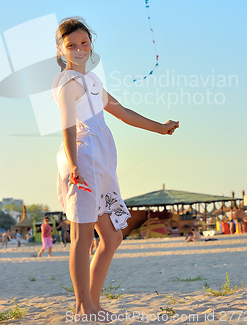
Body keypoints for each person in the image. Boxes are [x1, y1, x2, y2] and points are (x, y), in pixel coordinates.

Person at [53, 17, 180, 322]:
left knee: (112, 238)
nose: (80, 49)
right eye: (72, 45)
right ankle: (83, 308)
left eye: (84, 43)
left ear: (91, 44)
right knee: (82, 238)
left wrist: (160, 128)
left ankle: (92, 304)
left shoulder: (92, 82)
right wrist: (73, 163)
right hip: (82, 161)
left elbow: (122, 113)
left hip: (101, 164)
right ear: (61, 49)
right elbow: (67, 127)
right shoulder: (67, 82)